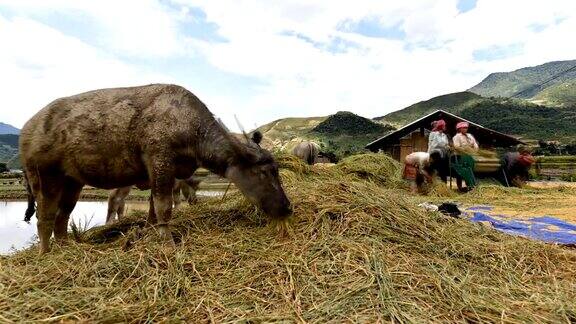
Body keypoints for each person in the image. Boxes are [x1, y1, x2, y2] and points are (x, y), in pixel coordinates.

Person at [451, 122, 478, 192]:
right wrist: (466, 149)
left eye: (466, 128)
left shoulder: (469, 136)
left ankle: (471, 186)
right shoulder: (456, 137)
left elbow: (475, 144)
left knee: (470, 167)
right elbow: (457, 147)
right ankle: (466, 187)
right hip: (460, 156)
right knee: (464, 171)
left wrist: (475, 149)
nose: (466, 129)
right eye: (464, 128)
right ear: (459, 129)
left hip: (470, 155)